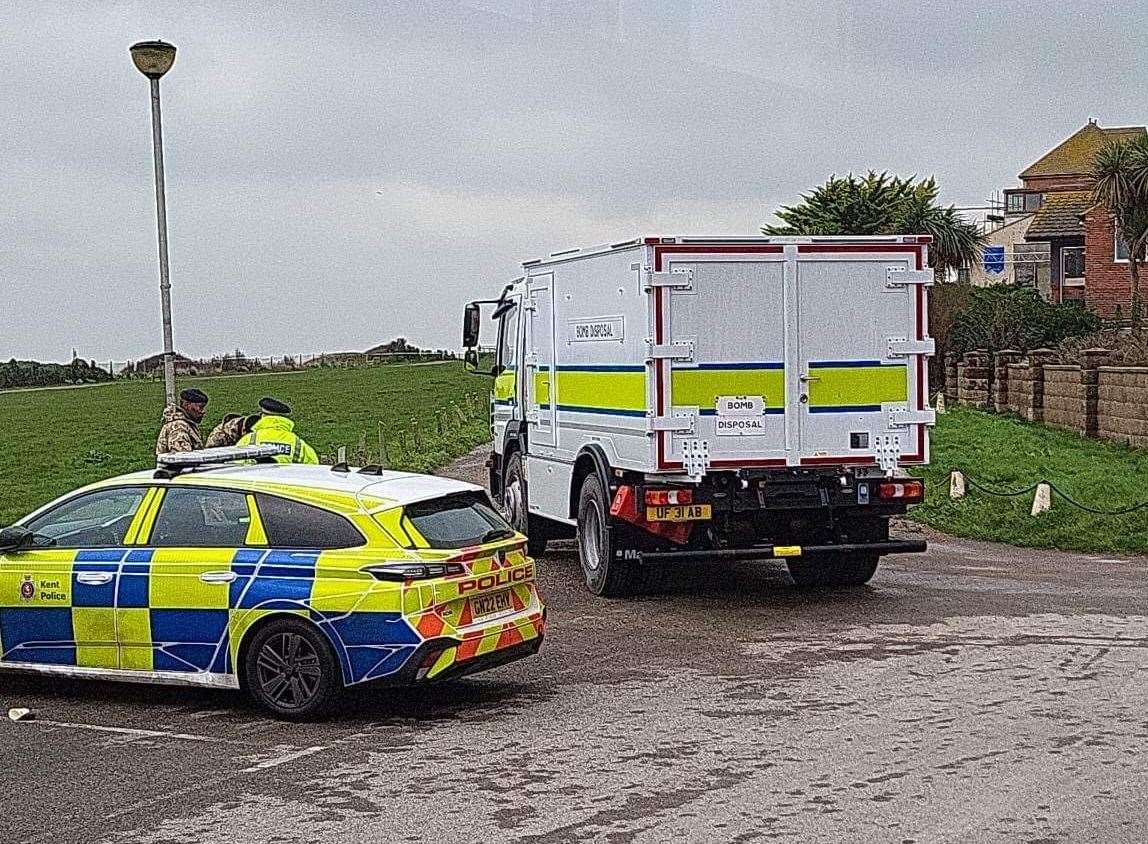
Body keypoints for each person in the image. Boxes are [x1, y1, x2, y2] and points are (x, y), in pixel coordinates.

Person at [236, 397, 319, 464]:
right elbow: (313, 467)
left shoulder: (248, 440)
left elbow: (235, 465)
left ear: (262, 416)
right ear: (284, 418)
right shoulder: (297, 443)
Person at [156, 388, 208, 456]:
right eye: (201, 407)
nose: (203, 411)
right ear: (187, 405)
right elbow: (182, 458)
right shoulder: (178, 427)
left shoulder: (186, 423)